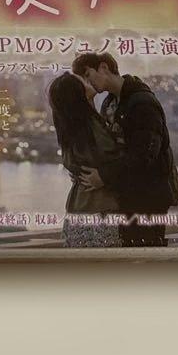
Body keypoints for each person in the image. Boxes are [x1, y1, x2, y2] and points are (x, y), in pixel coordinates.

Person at [72, 52, 178, 247]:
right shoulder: (110, 103)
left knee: (145, 252)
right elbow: (107, 147)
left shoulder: (142, 103)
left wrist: (104, 176)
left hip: (148, 196)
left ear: (104, 67)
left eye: (88, 75)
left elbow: (144, 155)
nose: (88, 83)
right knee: (131, 251)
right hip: (128, 193)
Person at [47, 71, 125, 248]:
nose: (86, 80)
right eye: (81, 80)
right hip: (99, 210)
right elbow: (113, 155)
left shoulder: (71, 127)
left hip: (78, 209)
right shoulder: (90, 127)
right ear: (78, 93)